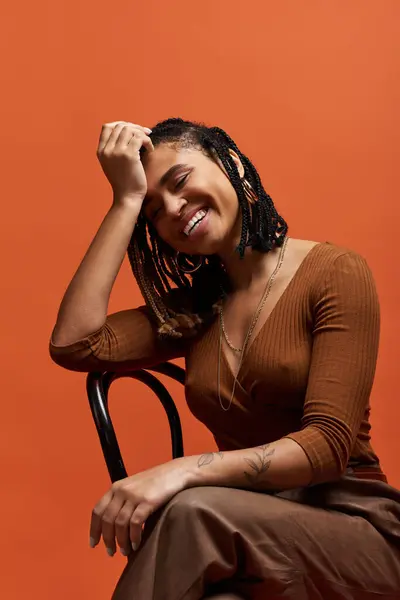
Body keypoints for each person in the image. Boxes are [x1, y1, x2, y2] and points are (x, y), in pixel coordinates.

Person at [49, 118, 400, 600]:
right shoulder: (197, 308)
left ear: (231, 163)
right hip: (244, 542)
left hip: (356, 536)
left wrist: (179, 472)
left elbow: (325, 446)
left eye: (179, 182)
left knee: (192, 512)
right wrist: (124, 201)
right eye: (154, 212)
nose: (173, 209)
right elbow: (76, 344)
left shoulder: (335, 272)